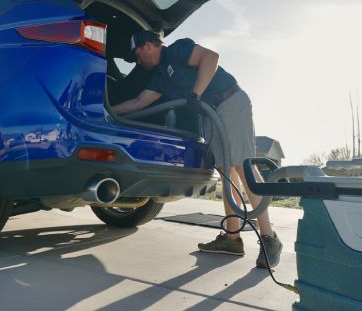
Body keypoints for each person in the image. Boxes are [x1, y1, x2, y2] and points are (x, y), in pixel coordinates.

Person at [111, 30, 283, 268]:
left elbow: (211, 57)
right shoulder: (160, 78)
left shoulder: (177, 50)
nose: (138, 61)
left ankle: (269, 238)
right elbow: (139, 103)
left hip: (230, 102)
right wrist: (107, 110)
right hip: (212, 114)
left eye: (138, 54)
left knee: (243, 167)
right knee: (226, 172)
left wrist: (196, 94)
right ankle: (232, 238)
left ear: (148, 45)